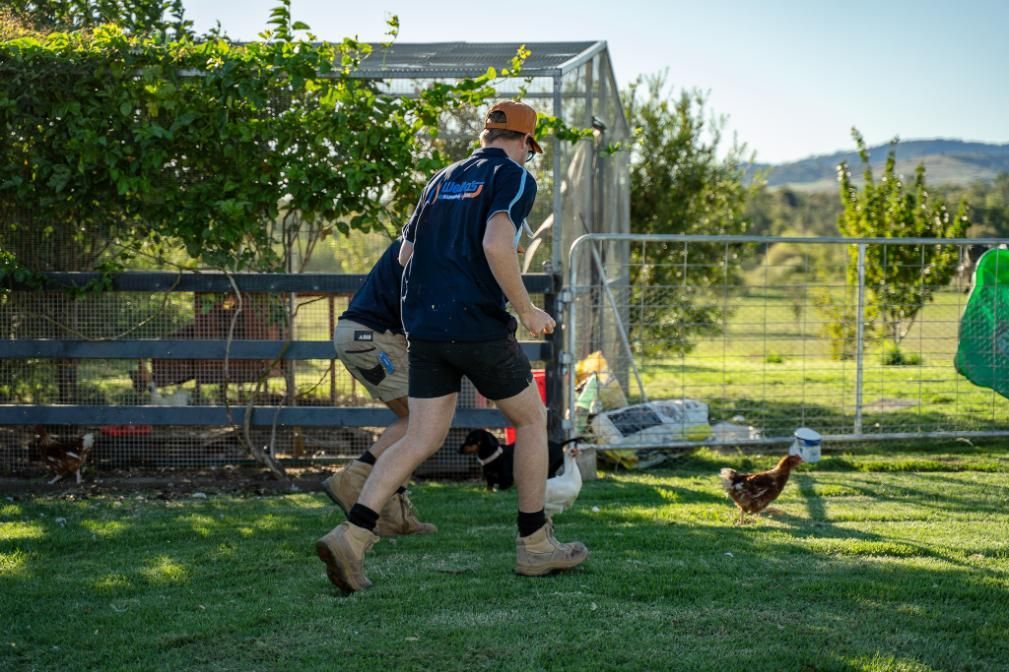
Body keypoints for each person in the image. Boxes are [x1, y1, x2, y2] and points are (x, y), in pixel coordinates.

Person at [316, 101, 588, 592]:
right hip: (476, 326)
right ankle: (535, 544)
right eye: (530, 149)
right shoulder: (514, 177)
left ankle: (352, 536)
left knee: (421, 435)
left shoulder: (441, 179)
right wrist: (526, 310)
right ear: (527, 143)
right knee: (528, 420)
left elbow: (406, 253)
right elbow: (494, 244)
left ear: (486, 134)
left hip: (422, 328)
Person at [321, 239, 436, 537]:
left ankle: (393, 515)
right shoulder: (431, 246)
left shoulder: (421, 237)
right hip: (371, 338)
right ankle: (354, 478)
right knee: (422, 422)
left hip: (359, 336)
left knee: (415, 426)